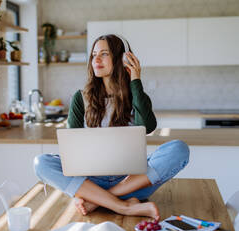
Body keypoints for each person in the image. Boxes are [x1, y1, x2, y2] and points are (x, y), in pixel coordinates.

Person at [33, 34, 190, 220]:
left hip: (131, 182)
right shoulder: (80, 98)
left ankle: (99, 200)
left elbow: (147, 126)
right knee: (41, 162)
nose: (96, 59)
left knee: (179, 149)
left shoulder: (136, 95)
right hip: (91, 181)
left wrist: (135, 80)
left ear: (121, 58)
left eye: (104, 54)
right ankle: (123, 206)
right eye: (93, 55)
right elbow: (70, 151)